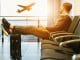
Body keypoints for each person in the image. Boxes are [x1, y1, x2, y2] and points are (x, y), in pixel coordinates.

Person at [2, 2, 72, 40]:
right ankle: (11, 30)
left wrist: (44, 27)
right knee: (31, 29)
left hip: (53, 36)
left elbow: (56, 29)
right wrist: (44, 27)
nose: (60, 8)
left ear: (63, 8)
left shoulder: (65, 18)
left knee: (31, 28)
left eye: (61, 7)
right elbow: (57, 28)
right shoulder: (66, 17)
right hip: (54, 35)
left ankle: (11, 27)